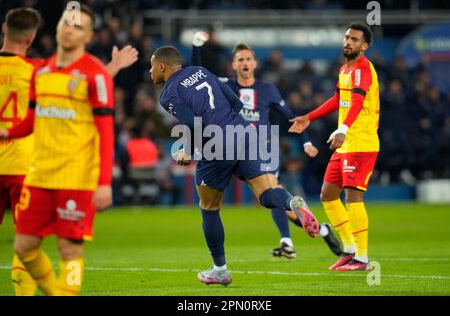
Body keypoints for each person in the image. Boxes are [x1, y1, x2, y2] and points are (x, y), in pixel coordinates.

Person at [150, 45, 320, 286]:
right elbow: (235, 101)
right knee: (266, 193)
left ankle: (219, 270)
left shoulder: (168, 94)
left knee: (209, 207)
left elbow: (192, 122)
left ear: (162, 66)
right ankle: (292, 202)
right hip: (243, 131)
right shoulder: (202, 71)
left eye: (151, 67)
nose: (150, 72)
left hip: (216, 143)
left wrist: (187, 150)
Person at [0, 6, 138, 295]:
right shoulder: (43, 70)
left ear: (88, 36)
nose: (68, 29)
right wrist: (8, 132)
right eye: (66, 22)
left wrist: (103, 184)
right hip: (38, 175)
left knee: (69, 250)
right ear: (56, 26)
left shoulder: (94, 74)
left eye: (77, 26)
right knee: (23, 247)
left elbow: (105, 132)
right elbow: (30, 119)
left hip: (75, 177)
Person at [192, 32, 342, 258]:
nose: (244, 63)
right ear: (233, 64)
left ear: (254, 63)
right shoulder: (224, 85)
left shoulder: (267, 89)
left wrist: (306, 141)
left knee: (272, 189)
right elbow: (198, 74)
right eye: (240, 59)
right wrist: (196, 46)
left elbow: (291, 116)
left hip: (263, 144)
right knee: (270, 197)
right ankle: (320, 229)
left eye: (248, 59)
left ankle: (287, 242)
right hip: (231, 144)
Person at [289, 23, 380, 271]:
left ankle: (362, 257)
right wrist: (309, 116)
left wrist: (343, 129)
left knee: (353, 196)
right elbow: (339, 100)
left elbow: (358, 102)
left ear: (364, 46)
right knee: (328, 195)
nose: (348, 42)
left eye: (354, 39)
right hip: (346, 143)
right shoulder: (345, 69)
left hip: (360, 142)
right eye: (347, 37)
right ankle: (349, 249)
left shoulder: (363, 68)